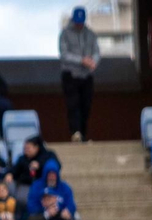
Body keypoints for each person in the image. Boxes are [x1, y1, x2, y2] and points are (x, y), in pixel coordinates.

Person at [60, 7, 101, 142]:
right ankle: (75, 132)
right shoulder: (65, 34)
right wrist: (81, 60)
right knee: (73, 105)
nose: (79, 25)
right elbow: (64, 55)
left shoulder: (90, 34)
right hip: (70, 75)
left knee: (86, 105)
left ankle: (83, 134)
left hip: (86, 76)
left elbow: (96, 51)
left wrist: (93, 61)